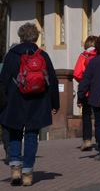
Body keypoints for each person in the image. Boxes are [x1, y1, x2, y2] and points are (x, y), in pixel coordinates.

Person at [0, 22, 59, 186]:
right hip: (38, 102)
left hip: (15, 102)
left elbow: (3, 81)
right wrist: (55, 103)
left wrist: (2, 104)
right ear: (36, 37)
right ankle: (27, 174)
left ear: (20, 36)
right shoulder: (43, 55)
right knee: (32, 137)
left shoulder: (12, 54)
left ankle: (15, 170)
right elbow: (52, 80)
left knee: (15, 134)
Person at [73, 36, 98, 152]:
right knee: (99, 115)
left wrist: (84, 82)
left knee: (86, 115)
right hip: (98, 90)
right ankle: (99, 139)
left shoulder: (83, 56)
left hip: (86, 91)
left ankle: (87, 140)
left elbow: (77, 73)